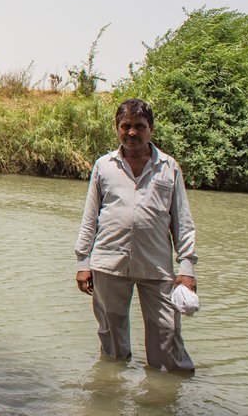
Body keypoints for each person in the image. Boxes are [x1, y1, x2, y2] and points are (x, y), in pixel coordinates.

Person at [74, 98, 197, 372]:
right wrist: (83, 263)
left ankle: (167, 396)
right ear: (117, 128)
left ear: (150, 128)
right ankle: (109, 393)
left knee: (167, 334)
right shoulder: (104, 166)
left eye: (139, 126)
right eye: (125, 126)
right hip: (108, 264)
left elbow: (183, 222)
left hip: (156, 266)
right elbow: (89, 218)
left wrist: (186, 268)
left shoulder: (168, 167)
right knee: (112, 337)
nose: (131, 132)